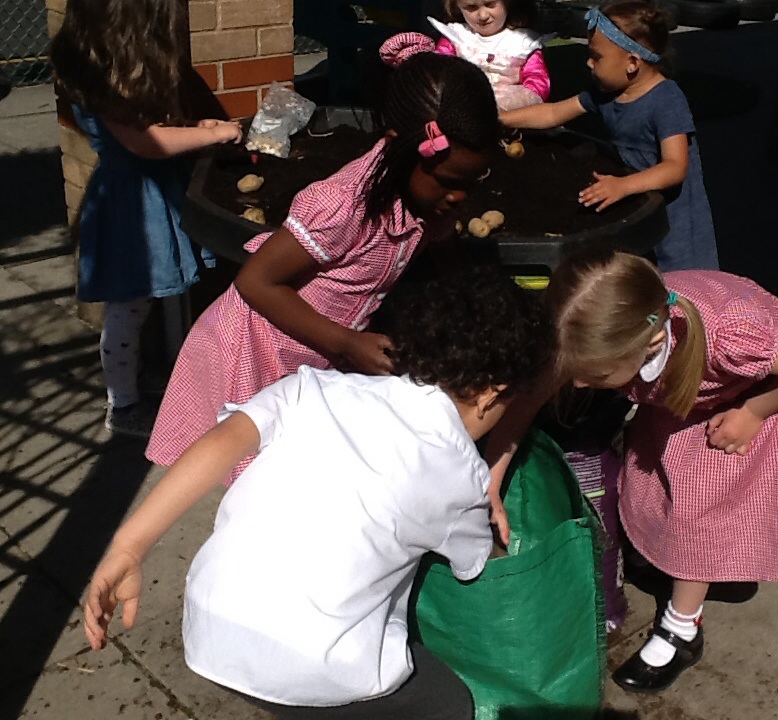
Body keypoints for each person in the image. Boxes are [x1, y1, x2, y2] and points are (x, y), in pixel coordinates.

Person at [83, 265, 555, 719]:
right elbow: (477, 564)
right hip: (321, 663)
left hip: (212, 628)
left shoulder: (313, 388)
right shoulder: (459, 474)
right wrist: (499, 540)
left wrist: (129, 547)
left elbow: (216, 448)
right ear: (494, 394)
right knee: (448, 704)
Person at [485, 247, 778, 693]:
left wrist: (754, 412)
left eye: (595, 375)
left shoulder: (730, 339)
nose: (577, 385)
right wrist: (491, 483)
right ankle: (670, 561)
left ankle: (682, 628)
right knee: (650, 480)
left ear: (649, 345)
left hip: (752, 392)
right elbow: (528, 400)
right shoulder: (612, 327)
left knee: (696, 511)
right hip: (687, 389)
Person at [146, 47, 500, 478]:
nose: (459, 198)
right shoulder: (344, 205)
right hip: (259, 347)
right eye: (449, 182)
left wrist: (474, 305)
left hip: (315, 351)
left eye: (472, 182)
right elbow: (255, 282)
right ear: (396, 147)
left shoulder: (430, 201)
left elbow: (444, 251)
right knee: (259, 476)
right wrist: (346, 344)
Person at [49, 0, 243, 437]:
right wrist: (214, 134)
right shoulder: (100, 75)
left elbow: (153, 127)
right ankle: (122, 404)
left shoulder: (105, 65)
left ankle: (133, 377)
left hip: (145, 191)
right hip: (130, 203)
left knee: (142, 302)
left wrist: (193, 124)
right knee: (128, 305)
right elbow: (146, 142)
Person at [500, 1, 718, 272]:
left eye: (597, 56)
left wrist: (623, 186)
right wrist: (501, 119)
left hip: (674, 217)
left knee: (680, 281)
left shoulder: (667, 100)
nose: (588, 62)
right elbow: (554, 113)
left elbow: (675, 167)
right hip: (637, 199)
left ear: (632, 63)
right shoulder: (607, 92)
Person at [429, 0, 550, 111]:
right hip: (461, 110)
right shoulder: (457, 38)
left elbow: (537, 83)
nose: (483, 15)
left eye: (490, 4)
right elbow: (438, 73)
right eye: (471, 7)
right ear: (457, 7)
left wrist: (516, 102)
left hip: (510, 115)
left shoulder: (522, 43)